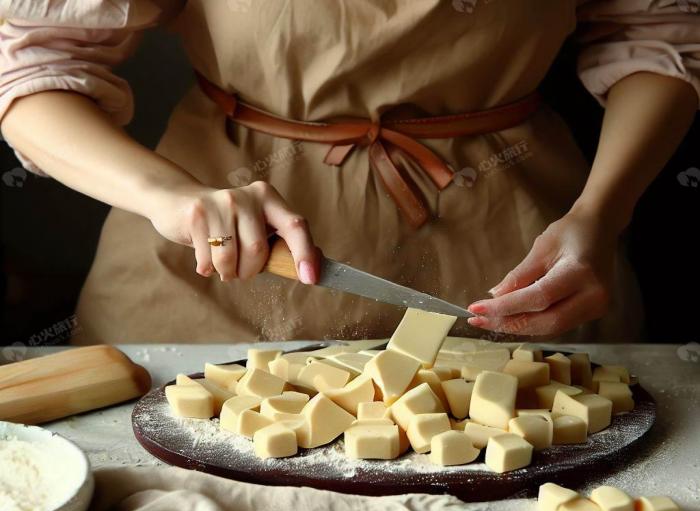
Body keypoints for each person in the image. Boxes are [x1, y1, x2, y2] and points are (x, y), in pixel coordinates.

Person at [0, 1, 697, 344]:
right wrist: (168, 196)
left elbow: (656, 38)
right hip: (203, 278)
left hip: (515, 263)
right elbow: (31, 65)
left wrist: (602, 214)